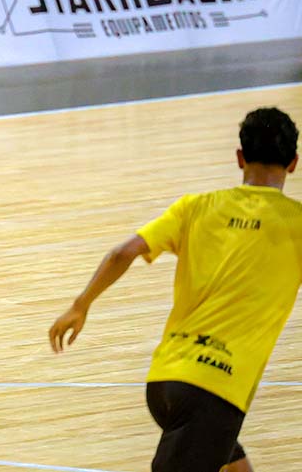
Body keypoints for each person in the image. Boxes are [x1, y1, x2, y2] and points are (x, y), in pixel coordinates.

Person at [49, 107, 301, 472]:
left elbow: (123, 253)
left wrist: (80, 305)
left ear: (240, 157)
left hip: (165, 382)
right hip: (215, 389)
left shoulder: (196, 207)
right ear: (293, 163)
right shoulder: (296, 224)